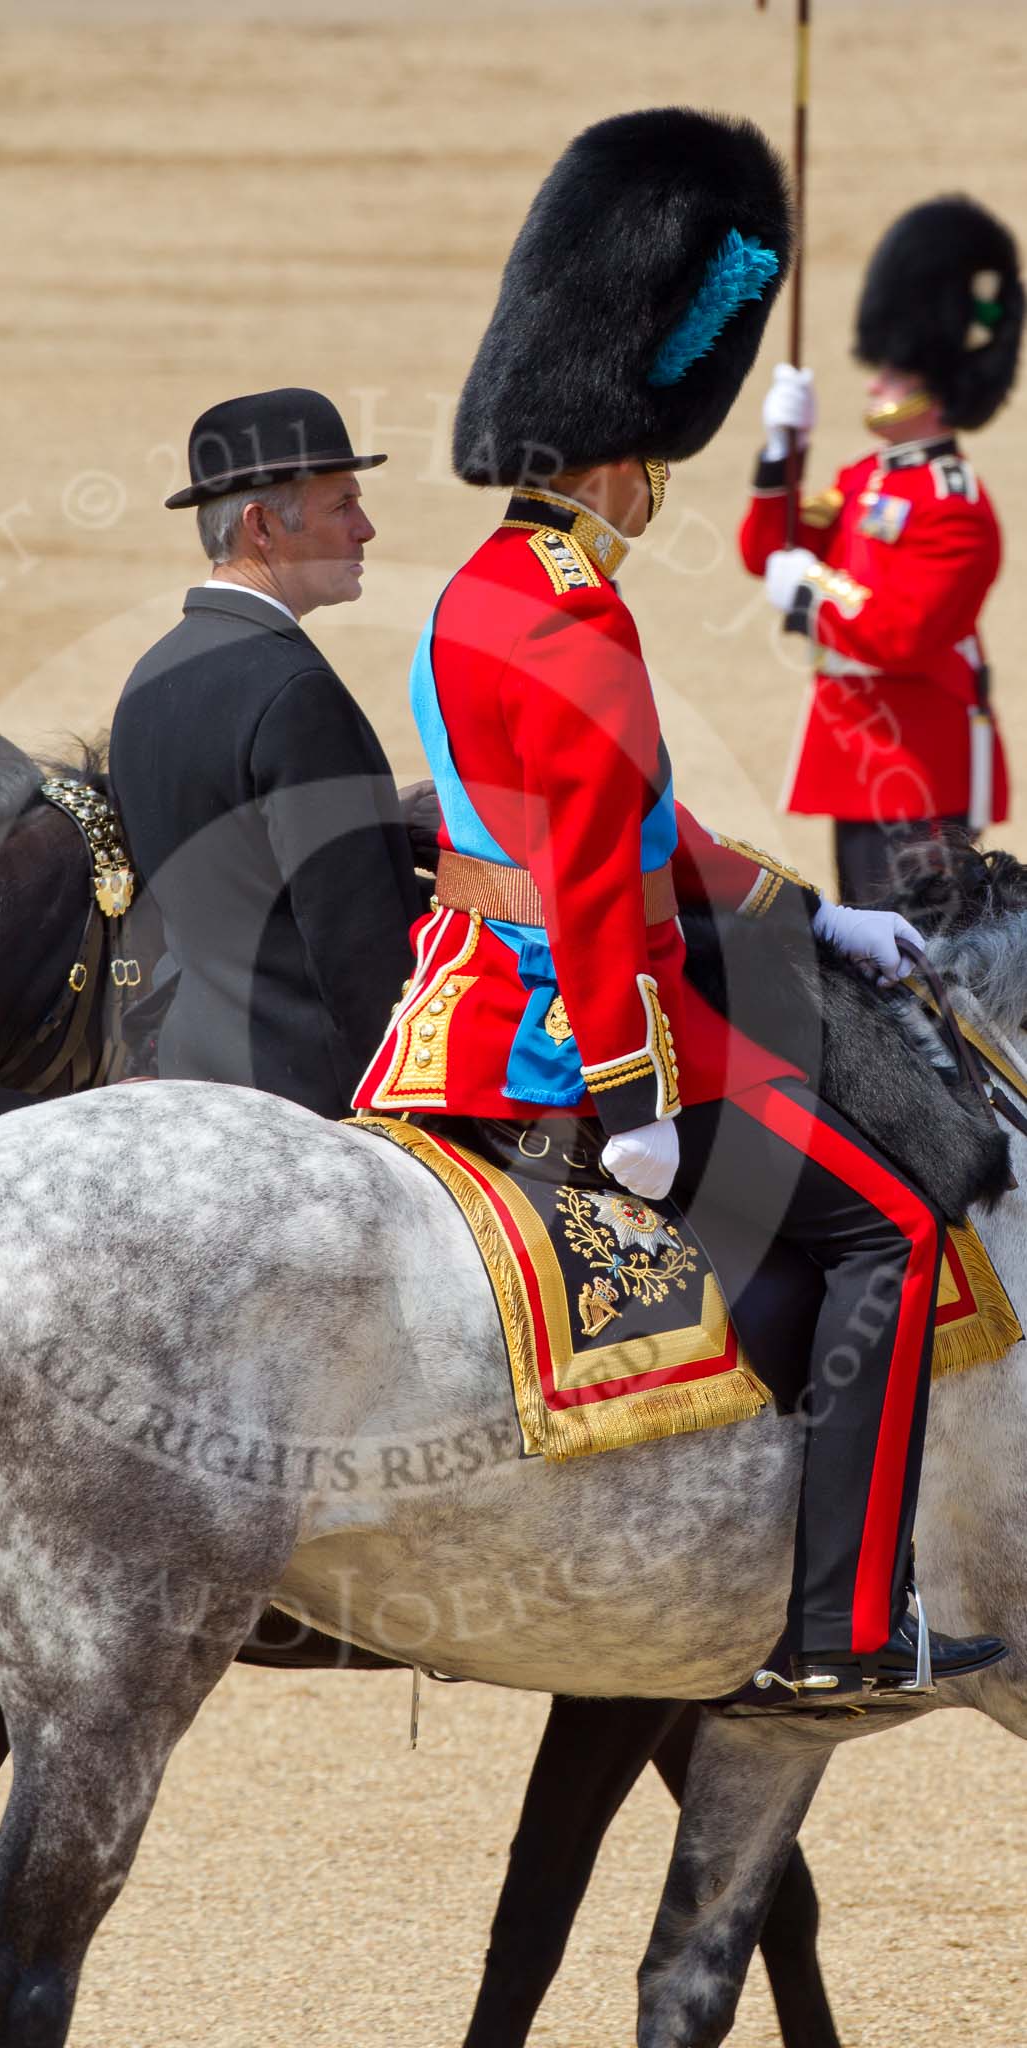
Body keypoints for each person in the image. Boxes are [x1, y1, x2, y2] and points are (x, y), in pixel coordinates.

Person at [352, 109, 1005, 1703]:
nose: (660, 489)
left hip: (462, 991)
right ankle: (843, 1628)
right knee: (899, 1231)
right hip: (567, 1025)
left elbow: (644, 831)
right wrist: (635, 1090)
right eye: (655, 460)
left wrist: (806, 911)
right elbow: (591, 880)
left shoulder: (483, 590)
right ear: (612, 455)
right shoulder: (578, 621)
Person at [109, 387, 423, 1120]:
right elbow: (357, 943)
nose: (366, 529)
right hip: (304, 1093)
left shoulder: (149, 675)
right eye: (341, 505)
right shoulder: (294, 689)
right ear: (262, 527)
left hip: (187, 1065)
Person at [740, 198, 1022, 904]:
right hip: (858, 752)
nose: (874, 384)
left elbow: (899, 632)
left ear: (935, 390)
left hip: (916, 760)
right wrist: (781, 453)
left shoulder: (955, 506)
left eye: (893, 377)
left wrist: (806, 586)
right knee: (873, 958)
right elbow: (763, 550)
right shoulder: (861, 478)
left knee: (923, 973)